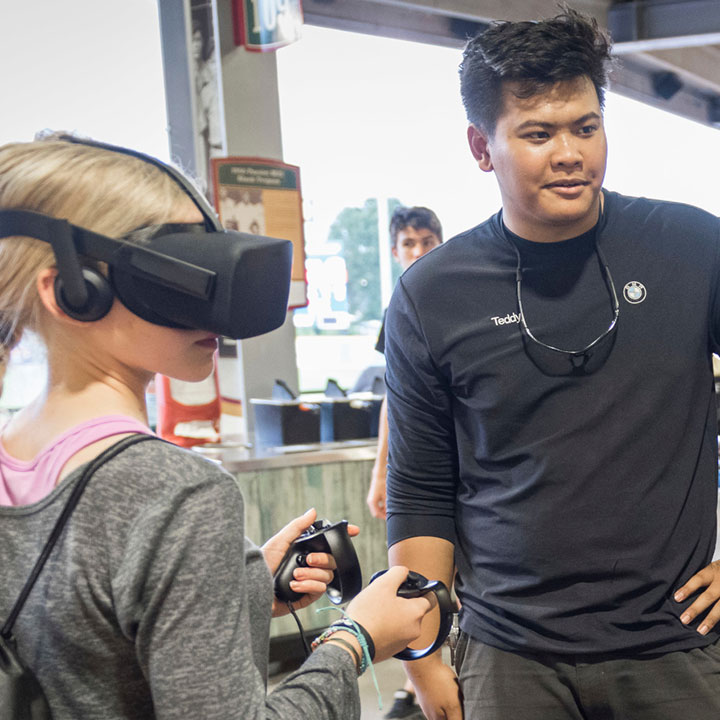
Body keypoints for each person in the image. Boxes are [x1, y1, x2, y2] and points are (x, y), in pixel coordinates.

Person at [0, 135, 433, 719]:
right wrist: (356, 639)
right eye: (177, 270)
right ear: (71, 291)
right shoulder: (176, 494)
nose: (214, 301)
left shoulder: (16, 459)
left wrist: (241, 585)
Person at [383, 9, 720, 720]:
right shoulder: (430, 294)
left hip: (678, 648)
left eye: (586, 126)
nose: (570, 152)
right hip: (510, 658)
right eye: (538, 133)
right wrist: (423, 659)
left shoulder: (691, 247)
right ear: (483, 146)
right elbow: (421, 493)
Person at [366, 205, 442, 720]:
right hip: (421, 472)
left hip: (466, 469)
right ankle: (419, 686)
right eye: (407, 244)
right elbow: (395, 400)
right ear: (395, 251)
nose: (417, 251)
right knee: (415, 580)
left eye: (425, 241)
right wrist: (380, 471)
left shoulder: (459, 296)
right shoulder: (399, 309)